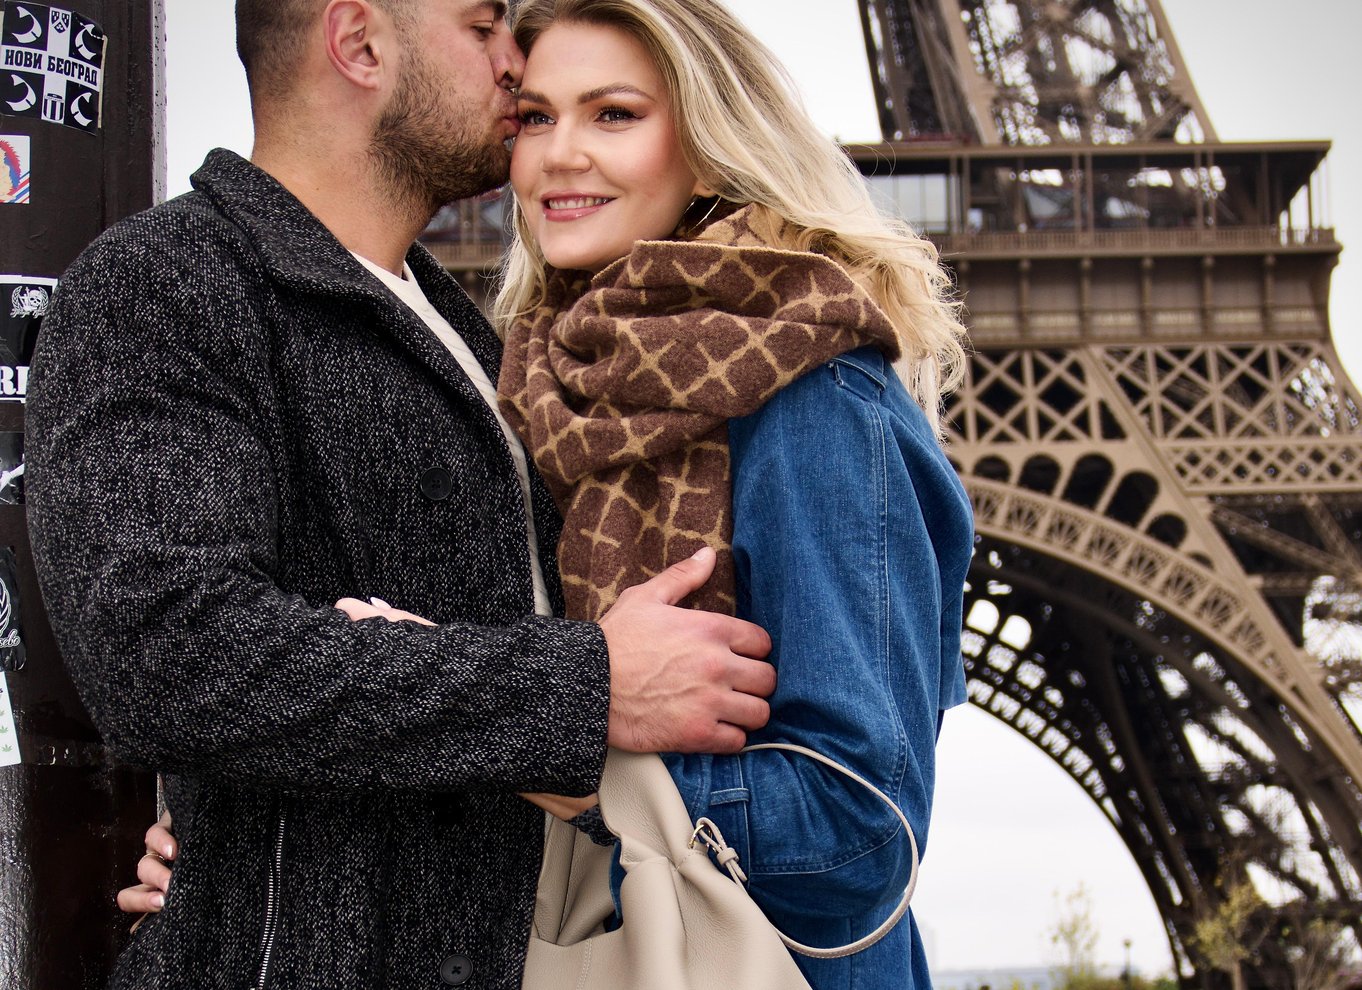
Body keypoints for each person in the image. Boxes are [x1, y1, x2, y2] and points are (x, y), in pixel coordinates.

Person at [25, 1, 779, 987]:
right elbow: (164, 650)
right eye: (482, 26)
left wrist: (233, 854)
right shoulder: (163, 282)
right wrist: (590, 685)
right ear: (360, 42)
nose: (517, 61)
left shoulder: (475, 336)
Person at [492, 0, 973, 987]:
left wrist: (562, 760)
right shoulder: (537, 387)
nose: (560, 154)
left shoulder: (815, 400)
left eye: (614, 114)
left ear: (709, 150)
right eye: (536, 117)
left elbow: (861, 835)